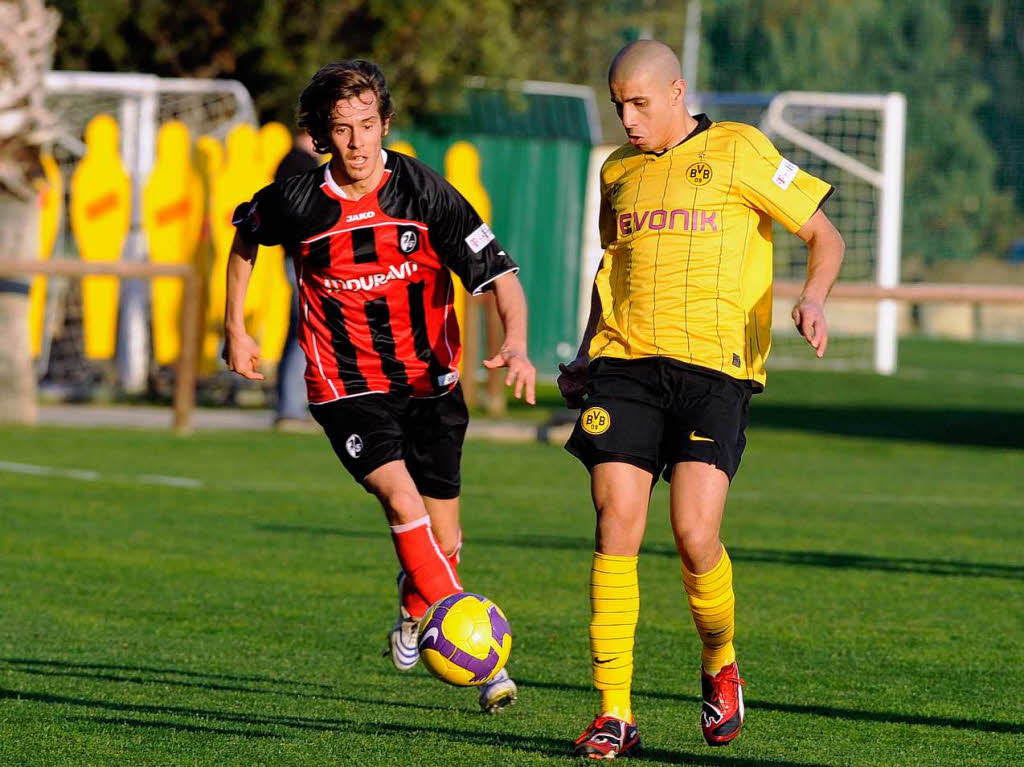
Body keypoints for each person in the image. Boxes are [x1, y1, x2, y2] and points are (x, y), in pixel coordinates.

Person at [558, 40, 844, 758]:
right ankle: (614, 711)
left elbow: (823, 233)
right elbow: (610, 264)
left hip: (716, 369)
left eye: (640, 103)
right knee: (615, 518)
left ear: (677, 91)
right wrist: (587, 350)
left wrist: (812, 298)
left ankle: (720, 660)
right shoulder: (616, 171)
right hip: (626, 363)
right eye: (618, 103)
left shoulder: (742, 149)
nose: (626, 117)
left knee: (693, 534)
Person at [223, 60, 536, 713]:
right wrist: (237, 329)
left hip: (431, 382)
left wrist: (518, 342)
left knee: (444, 540)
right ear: (320, 136)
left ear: (386, 124)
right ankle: (482, 661)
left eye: (369, 126)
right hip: (347, 385)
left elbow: (500, 272)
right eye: (343, 129)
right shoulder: (299, 199)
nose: (359, 142)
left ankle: (414, 602)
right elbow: (246, 237)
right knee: (399, 498)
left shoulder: (425, 192)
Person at [273, 131, 320, 430]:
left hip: (293, 258)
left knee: (298, 331)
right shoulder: (301, 165)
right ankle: (291, 407)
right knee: (305, 331)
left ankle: (288, 404)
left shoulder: (291, 163)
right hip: (302, 260)